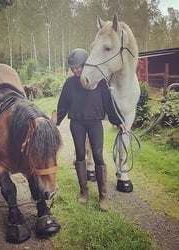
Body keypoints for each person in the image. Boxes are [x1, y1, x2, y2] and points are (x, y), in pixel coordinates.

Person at [56, 48, 125, 212]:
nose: (75, 70)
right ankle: (83, 192)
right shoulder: (69, 83)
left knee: (98, 155)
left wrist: (118, 121)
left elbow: (109, 104)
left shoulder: (99, 82)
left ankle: (103, 196)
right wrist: (55, 122)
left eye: (78, 67)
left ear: (85, 64)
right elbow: (63, 106)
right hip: (77, 123)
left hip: (95, 123)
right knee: (80, 154)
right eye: (72, 68)